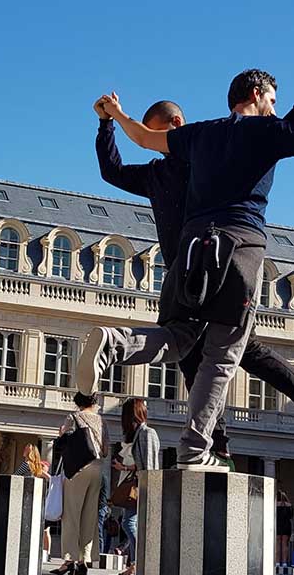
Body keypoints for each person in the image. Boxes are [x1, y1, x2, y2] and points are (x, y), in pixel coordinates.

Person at [78, 69, 294, 470]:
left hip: (188, 255)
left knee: (180, 338)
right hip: (237, 247)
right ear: (256, 93)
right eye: (272, 100)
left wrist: (111, 117)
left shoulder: (196, 138)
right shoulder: (267, 132)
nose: (273, 109)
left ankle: (114, 343)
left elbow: (141, 138)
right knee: (225, 356)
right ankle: (197, 449)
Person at [50, 391, 109, 575]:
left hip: (78, 469)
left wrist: (61, 434)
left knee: (72, 514)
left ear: (78, 403)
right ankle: (84, 560)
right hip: (98, 468)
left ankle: (69, 560)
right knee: (89, 516)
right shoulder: (102, 421)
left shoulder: (74, 417)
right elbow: (106, 450)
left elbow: (63, 442)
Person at [109, 398, 160, 575]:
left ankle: (140, 563)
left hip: (141, 486)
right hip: (137, 485)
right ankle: (134, 565)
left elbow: (147, 466)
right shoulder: (139, 433)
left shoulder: (146, 433)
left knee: (129, 524)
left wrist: (125, 468)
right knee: (130, 524)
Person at [276, 486, 293, 568]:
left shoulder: (275, 505)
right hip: (286, 525)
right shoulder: (289, 505)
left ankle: (277, 562)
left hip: (278, 525)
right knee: (284, 544)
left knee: (278, 544)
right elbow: (291, 516)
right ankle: (285, 562)